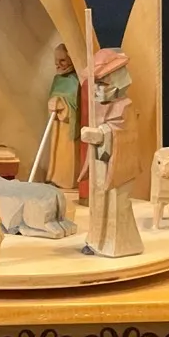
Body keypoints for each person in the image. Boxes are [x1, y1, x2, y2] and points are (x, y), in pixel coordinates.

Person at [79, 48, 144, 257]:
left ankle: (118, 245)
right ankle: (96, 240)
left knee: (116, 205)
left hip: (116, 168)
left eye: (103, 84)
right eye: (96, 84)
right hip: (100, 164)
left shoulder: (125, 106)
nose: (97, 90)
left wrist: (101, 134)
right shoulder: (98, 106)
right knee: (98, 203)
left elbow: (124, 135)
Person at [44, 43, 84, 189]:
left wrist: (63, 105)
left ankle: (67, 180)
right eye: (56, 61)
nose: (58, 65)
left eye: (62, 61)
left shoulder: (77, 81)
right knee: (55, 151)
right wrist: (52, 103)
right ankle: (54, 177)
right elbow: (52, 96)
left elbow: (77, 105)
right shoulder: (57, 79)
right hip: (57, 125)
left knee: (67, 153)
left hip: (68, 126)